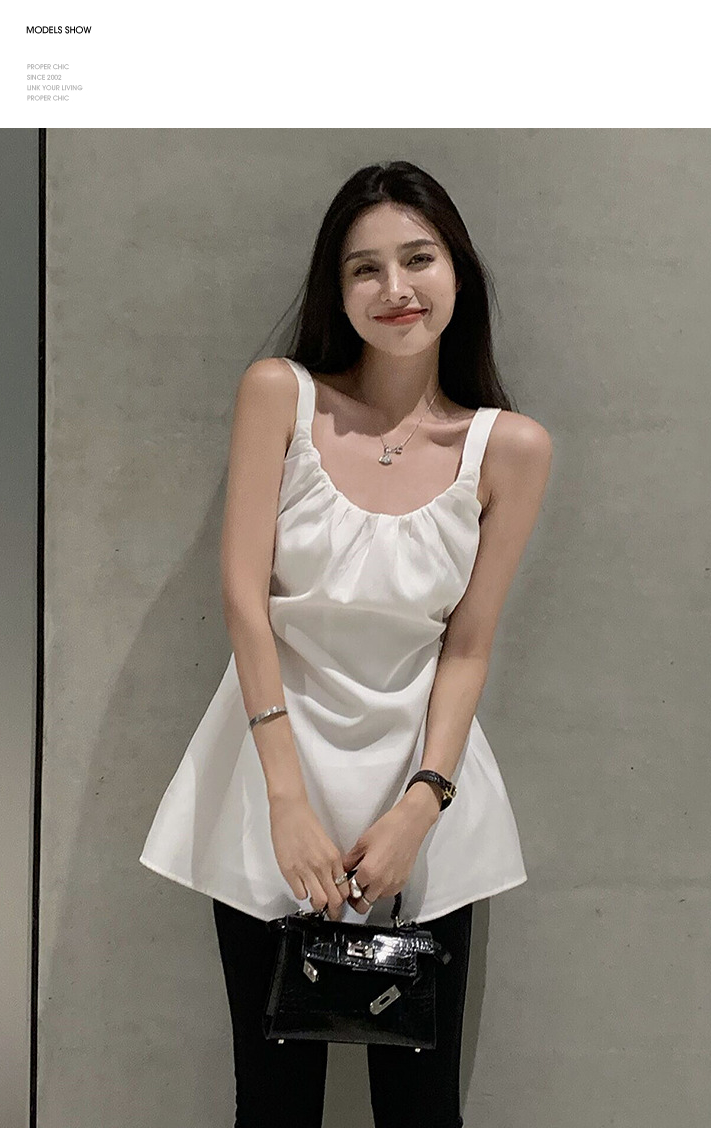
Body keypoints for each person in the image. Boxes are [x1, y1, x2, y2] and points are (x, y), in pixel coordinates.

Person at [140, 160, 552, 1128]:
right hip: (268, 778)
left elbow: (468, 645)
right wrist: (285, 799)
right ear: (337, 289)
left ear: (459, 272)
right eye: (365, 268)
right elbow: (245, 601)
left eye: (419, 258)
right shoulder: (279, 396)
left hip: (422, 795)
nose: (395, 288)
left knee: (421, 1109)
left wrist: (423, 804)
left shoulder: (511, 449)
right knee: (273, 1104)